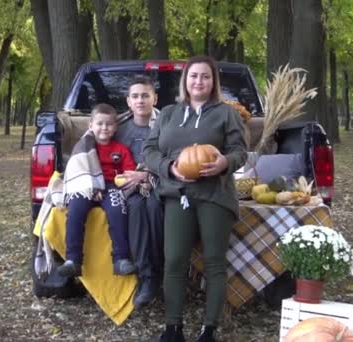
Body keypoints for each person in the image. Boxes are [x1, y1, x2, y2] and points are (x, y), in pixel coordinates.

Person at [143, 56, 247, 342]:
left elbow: (240, 151)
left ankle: (208, 330)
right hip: (178, 195)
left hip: (215, 194)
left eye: (205, 76)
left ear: (213, 82)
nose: (198, 81)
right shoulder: (167, 113)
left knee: (214, 262)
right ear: (185, 81)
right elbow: (149, 151)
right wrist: (170, 169)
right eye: (193, 76)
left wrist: (224, 162)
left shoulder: (227, 114)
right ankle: (173, 328)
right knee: (174, 260)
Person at [58, 103, 137, 278]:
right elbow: (77, 170)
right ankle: (73, 260)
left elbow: (128, 173)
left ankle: (121, 259)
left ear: (115, 127)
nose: (104, 128)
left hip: (112, 187)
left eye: (109, 124)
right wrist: (93, 187)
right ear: (90, 125)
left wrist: (121, 183)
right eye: (99, 123)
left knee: (118, 209)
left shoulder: (121, 150)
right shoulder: (83, 148)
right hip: (87, 186)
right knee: (75, 209)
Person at [114, 75, 164, 308]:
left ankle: (159, 270)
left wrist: (147, 175)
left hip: (160, 183)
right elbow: (98, 146)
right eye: (135, 96)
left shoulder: (166, 124)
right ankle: (146, 277)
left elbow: (175, 158)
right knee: (135, 207)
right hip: (129, 187)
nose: (140, 100)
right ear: (128, 101)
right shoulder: (120, 127)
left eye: (145, 95)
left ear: (155, 98)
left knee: (154, 206)